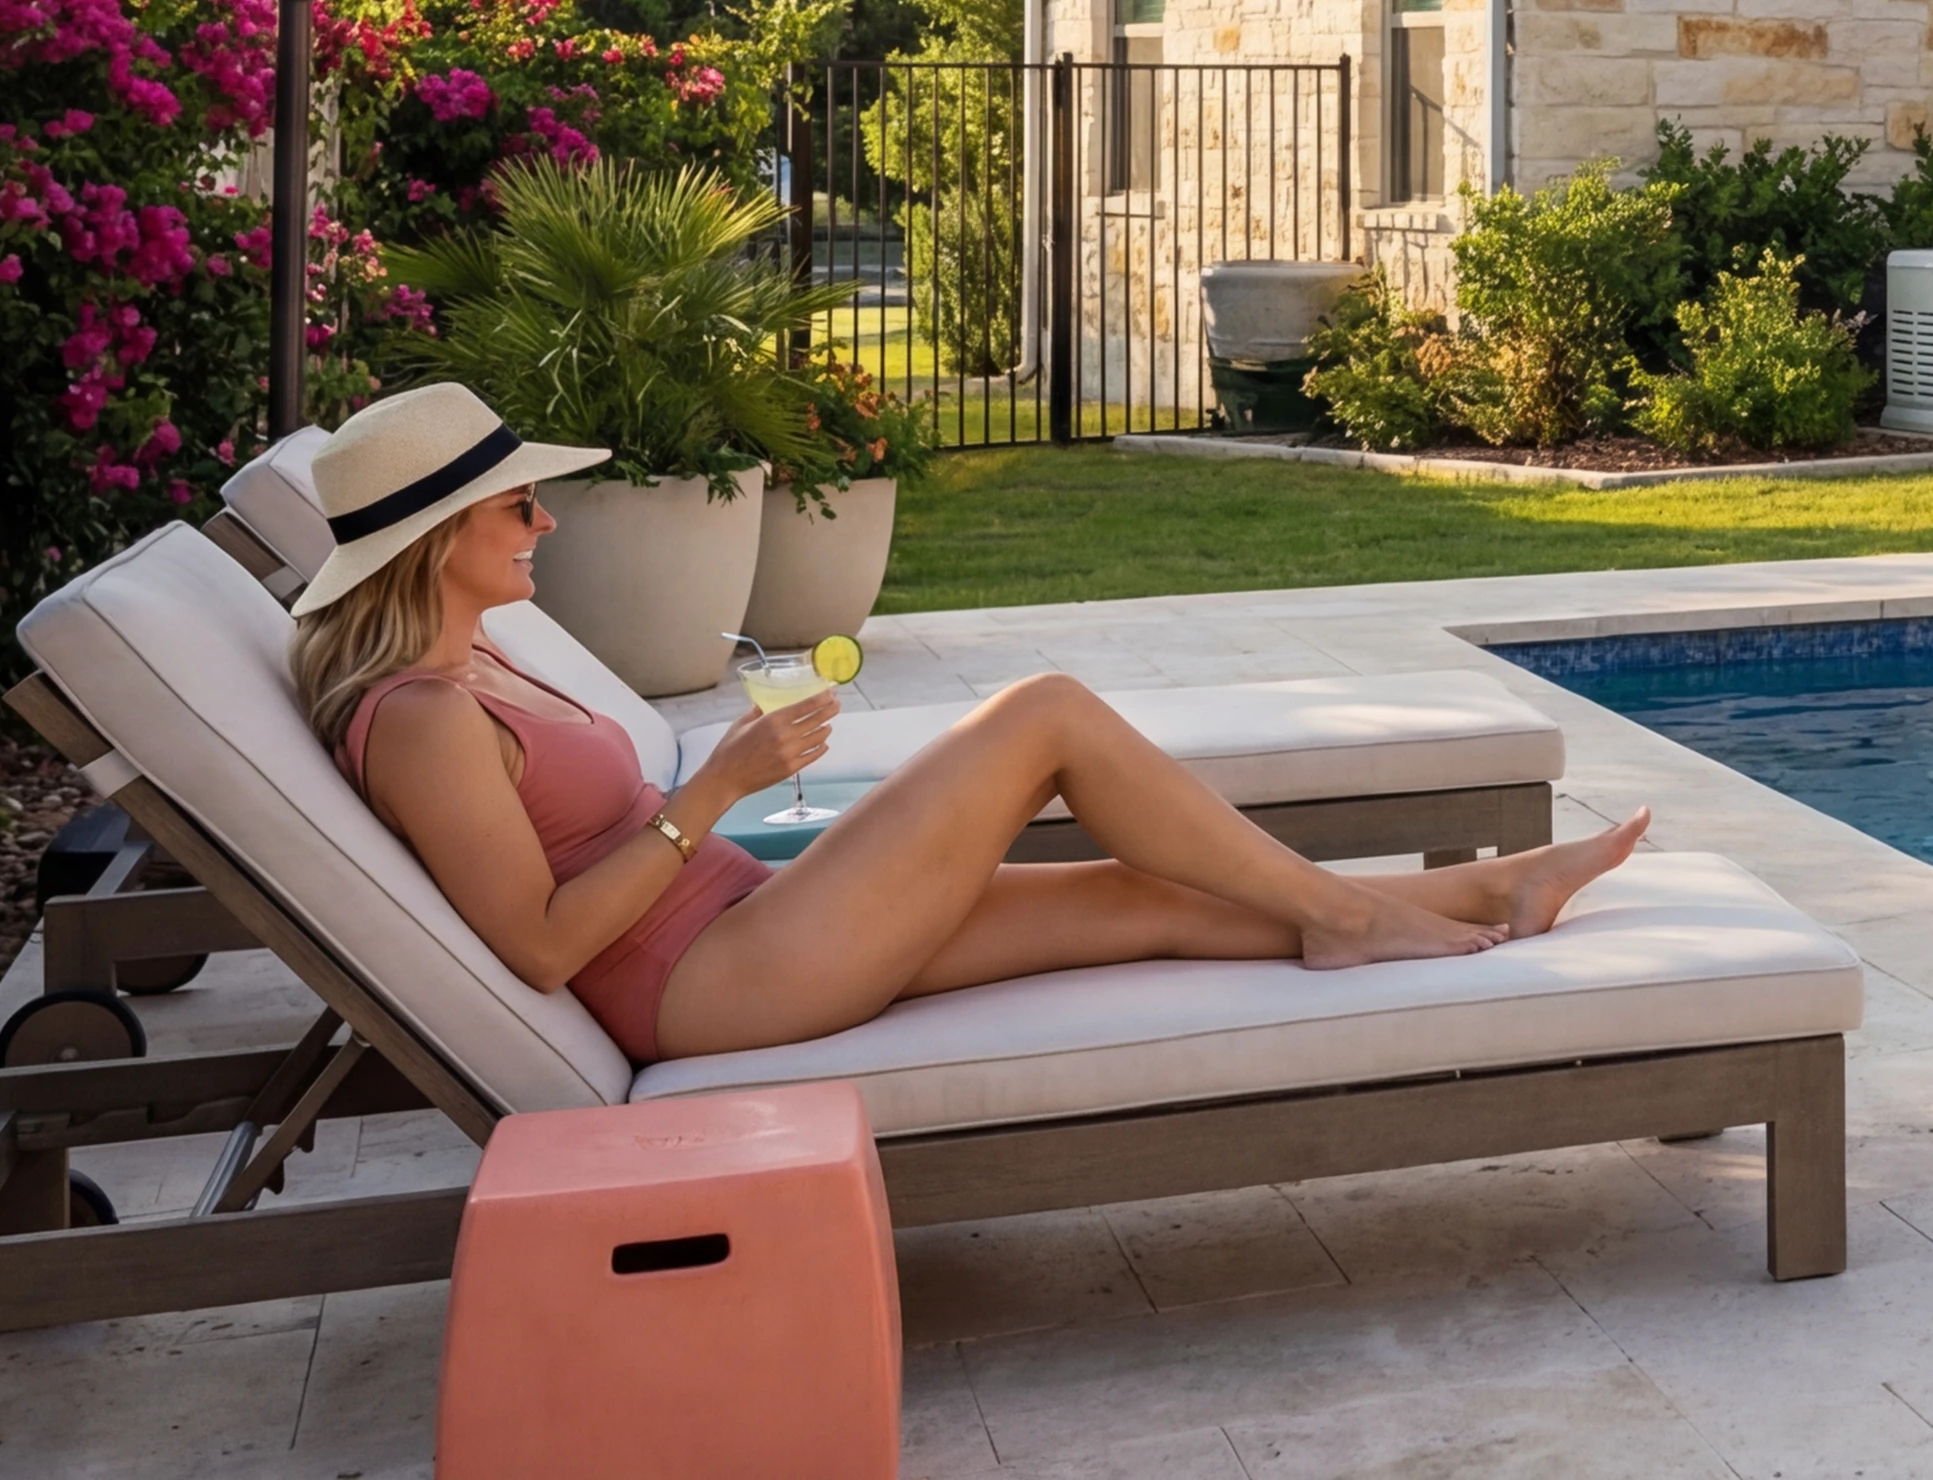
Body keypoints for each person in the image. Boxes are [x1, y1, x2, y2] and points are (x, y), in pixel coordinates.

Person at [289, 385, 1644, 1064]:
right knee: (1042, 714)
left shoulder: (473, 660)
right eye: (516, 508)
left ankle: (1490, 888)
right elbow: (532, 949)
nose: (547, 520)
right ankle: (1356, 918)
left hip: (747, 921)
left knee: (1131, 893)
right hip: (711, 982)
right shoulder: (418, 717)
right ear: (434, 537)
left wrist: (715, 820)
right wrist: (713, 795)